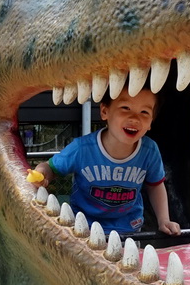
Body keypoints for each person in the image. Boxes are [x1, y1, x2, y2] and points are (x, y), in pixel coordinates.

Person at [31, 86, 181, 237]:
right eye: (125, 108)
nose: (135, 118)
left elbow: (155, 185)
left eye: (144, 112)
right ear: (104, 112)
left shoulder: (149, 150)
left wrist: (164, 220)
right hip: (84, 227)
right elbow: (50, 168)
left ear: (151, 122)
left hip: (129, 227)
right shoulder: (81, 149)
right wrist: (42, 174)